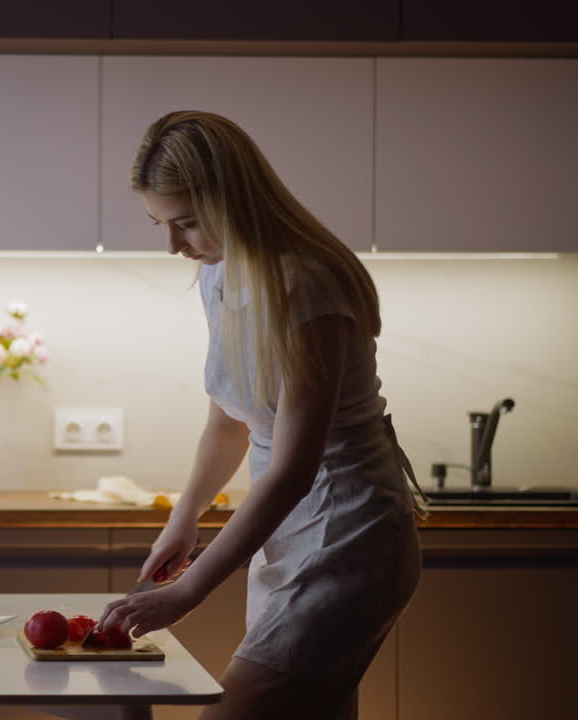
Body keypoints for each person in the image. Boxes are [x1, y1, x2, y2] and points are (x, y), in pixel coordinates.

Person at [96, 110, 425, 720]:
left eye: (187, 223)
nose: (173, 245)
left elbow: (296, 468)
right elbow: (229, 420)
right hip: (291, 536)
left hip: (348, 535)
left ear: (231, 200)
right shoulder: (220, 273)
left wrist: (189, 591)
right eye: (161, 224)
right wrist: (184, 518)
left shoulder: (306, 283)